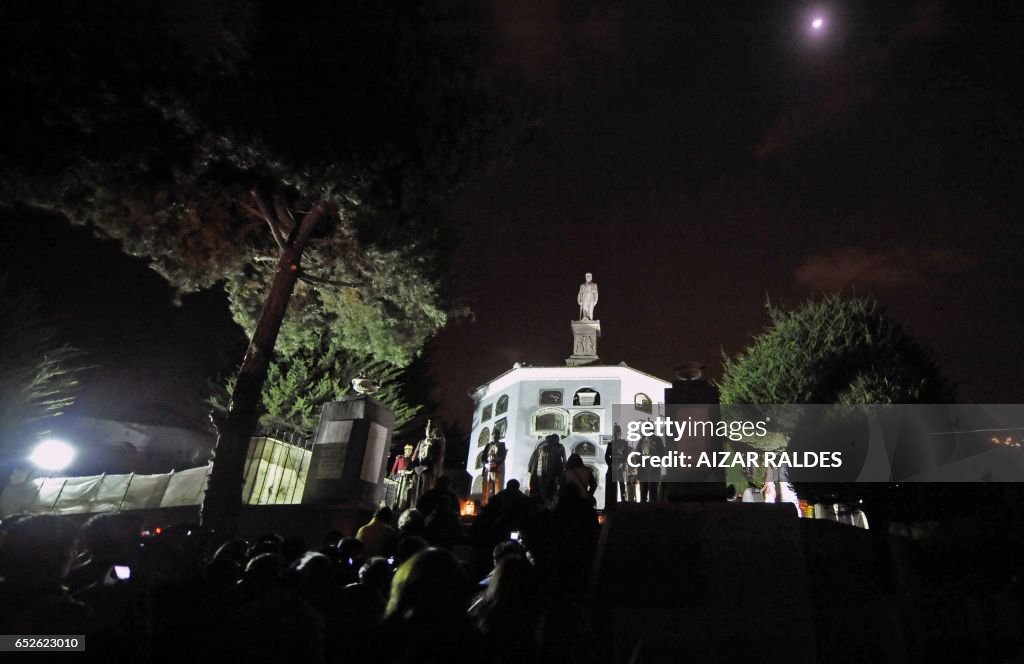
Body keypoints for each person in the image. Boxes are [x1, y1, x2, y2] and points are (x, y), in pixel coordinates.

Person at [527, 434, 566, 508]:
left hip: (538, 474)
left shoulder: (540, 447)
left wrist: (530, 469)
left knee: (539, 490)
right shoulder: (558, 448)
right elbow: (563, 461)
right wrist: (562, 472)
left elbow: (532, 460)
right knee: (550, 492)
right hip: (552, 475)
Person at [481, 431, 508, 505]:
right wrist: (485, 464)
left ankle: (496, 505)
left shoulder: (502, 445)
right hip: (487, 468)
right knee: (486, 487)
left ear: (499, 436)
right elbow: (483, 456)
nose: (495, 437)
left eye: (496, 435)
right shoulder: (488, 445)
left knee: (497, 487)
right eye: (493, 435)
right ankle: (484, 504)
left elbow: (503, 456)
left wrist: (495, 464)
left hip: (497, 468)